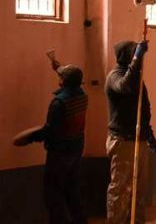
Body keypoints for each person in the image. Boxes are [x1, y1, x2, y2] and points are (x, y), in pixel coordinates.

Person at [25, 58, 88, 224]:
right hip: (76, 150)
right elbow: (71, 79)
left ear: (62, 81)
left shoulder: (59, 103)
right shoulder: (82, 96)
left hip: (59, 154)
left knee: (53, 196)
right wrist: (59, 68)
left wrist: (29, 137)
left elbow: (50, 131)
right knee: (72, 192)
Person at [105, 40, 156, 224]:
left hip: (138, 138)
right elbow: (124, 86)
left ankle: (135, 221)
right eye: (134, 53)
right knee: (120, 188)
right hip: (122, 140)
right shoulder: (115, 76)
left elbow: (144, 107)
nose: (140, 58)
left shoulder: (137, 79)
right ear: (126, 56)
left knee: (139, 188)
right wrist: (137, 58)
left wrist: (148, 131)